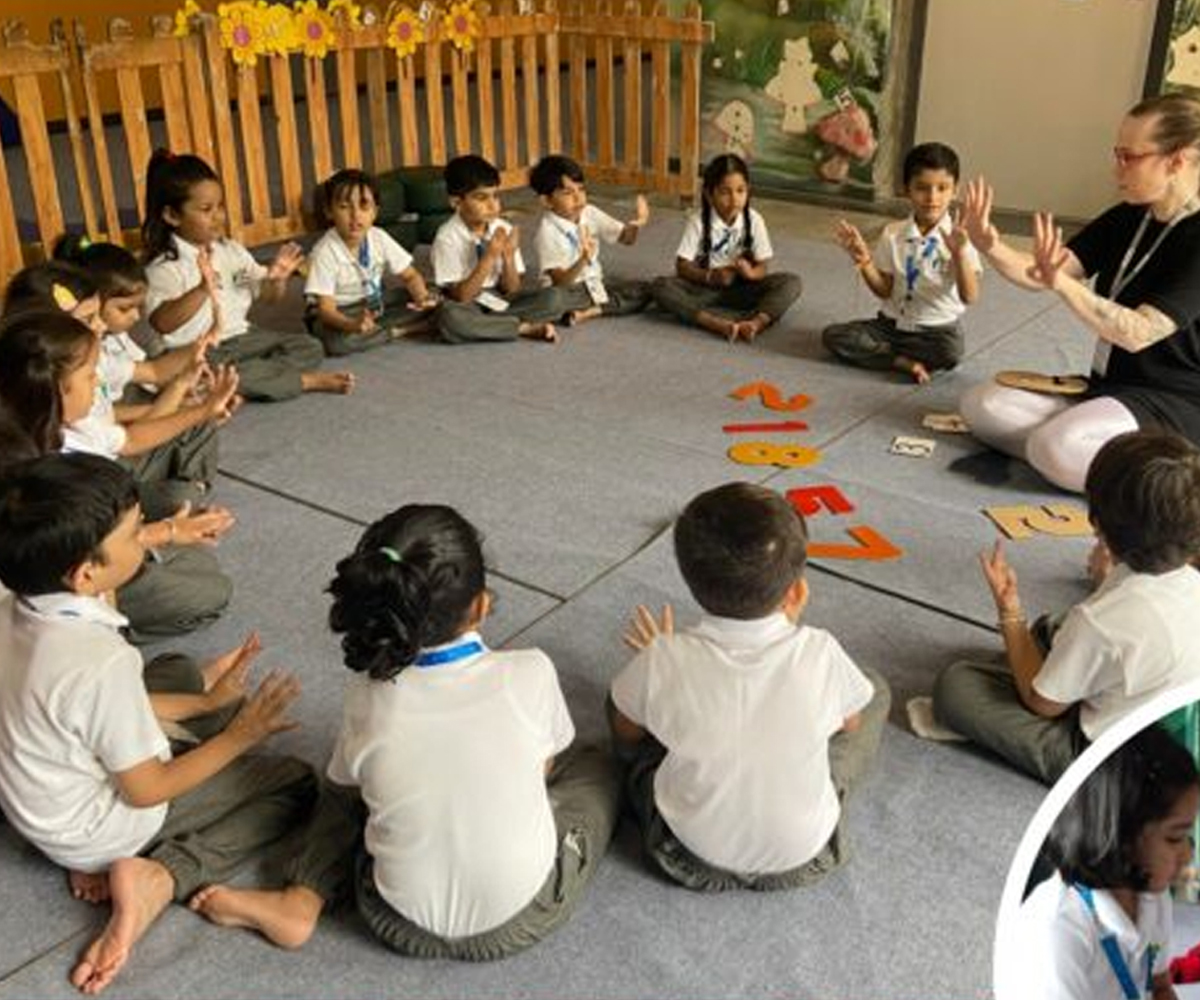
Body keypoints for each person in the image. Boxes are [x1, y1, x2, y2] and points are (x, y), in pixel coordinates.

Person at [189, 504, 620, 960]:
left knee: (342, 794)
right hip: (516, 920)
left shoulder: (367, 696)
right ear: (481, 604)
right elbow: (545, 767)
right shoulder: (530, 670)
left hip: (391, 917)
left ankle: (302, 897)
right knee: (594, 768)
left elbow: (349, 785)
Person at [0, 453, 315, 996]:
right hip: (102, 825)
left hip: (37, 800)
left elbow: (71, 711)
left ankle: (200, 709)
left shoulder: (12, 601)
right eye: (132, 535)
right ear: (85, 574)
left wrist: (202, 703)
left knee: (177, 676)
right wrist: (243, 735)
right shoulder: (99, 661)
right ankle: (158, 873)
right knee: (293, 782)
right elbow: (146, 790)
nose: (143, 539)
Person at [609, 482, 889, 890]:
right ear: (795, 591)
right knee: (871, 690)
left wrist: (660, 666)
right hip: (805, 857)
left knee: (621, 702)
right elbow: (850, 724)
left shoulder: (662, 658)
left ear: (691, 582)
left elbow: (626, 731)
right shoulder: (821, 651)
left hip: (687, 857)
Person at [960, 93, 1200, 493]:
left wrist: (1064, 284)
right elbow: (1042, 273)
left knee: (1059, 445)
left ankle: (1175, 474)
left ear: (1176, 160)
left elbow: (1137, 332)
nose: (1116, 168)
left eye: (1129, 157)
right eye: (1116, 154)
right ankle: (1093, 460)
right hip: (1107, 387)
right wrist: (990, 245)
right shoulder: (1131, 215)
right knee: (983, 406)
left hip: (1174, 402)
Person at [931, 429, 1200, 785]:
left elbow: (1040, 705)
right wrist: (1107, 580)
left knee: (956, 687)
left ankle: (1057, 677)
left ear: (1098, 525)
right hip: (1160, 712)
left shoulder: (1099, 622)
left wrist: (1009, 610)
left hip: (1110, 760)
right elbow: (1141, 617)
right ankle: (1060, 670)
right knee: (1060, 629)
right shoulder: (1188, 577)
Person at [0, 309, 234, 641]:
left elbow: (132, 440)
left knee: (194, 556)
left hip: (99, 544)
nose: (97, 382)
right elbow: (81, 563)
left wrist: (199, 407)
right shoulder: (38, 476)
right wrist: (167, 531)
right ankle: (116, 631)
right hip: (64, 585)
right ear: (53, 389)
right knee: (210, 591)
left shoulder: (69, 422)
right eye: (89, 375)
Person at [8, 254, 237, 522]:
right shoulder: (51, 424)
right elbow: (130, 443)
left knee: (196, 427)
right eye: (88, 318)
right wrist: (190, 402)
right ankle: (173, 501)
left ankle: (182, 494)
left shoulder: (77, 369)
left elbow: (150, 375)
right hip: (103, 489)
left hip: (112, 468)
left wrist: (197, 356)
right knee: (173, 501)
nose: (101, 325)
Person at [1000, 723, 1197, 1000]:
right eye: (1175, 839)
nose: (1189, 854)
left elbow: (1159, 987)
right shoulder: (1056, 931)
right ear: (1123, 838)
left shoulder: (1152, 891)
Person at [141, 149, 355, 399]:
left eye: (220, 206)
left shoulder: (229, 252)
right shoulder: (164, 267)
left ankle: (235, 380)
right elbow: (162, 322)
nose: (218, 217)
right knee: (207, 368)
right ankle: (300, 381)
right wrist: (201, 290)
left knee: (309, 347)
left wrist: (275, 280)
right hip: (197, 350)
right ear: (172, 215)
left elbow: (266, 295)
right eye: (206, 209)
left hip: (243, 338)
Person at [822, 141, 981, 383]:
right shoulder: (893, 233)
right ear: (906, 188)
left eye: (942, 188)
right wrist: (865, 263)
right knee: (835, 336)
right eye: (922, 188)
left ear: (955, 190)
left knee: (951, 353)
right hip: (890, 327)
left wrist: (959, 254)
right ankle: (901, 362)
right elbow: (884, 290)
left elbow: (969, 296)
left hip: (936, 332)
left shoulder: (959, 238)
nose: (932, 197)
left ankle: (886, 356)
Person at [652, 154, 802, 342]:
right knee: (661, 286)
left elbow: (763, 267)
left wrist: (750, 273)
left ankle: (755, 324)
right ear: (709, 194)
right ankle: (717, 324)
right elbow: (682, 266)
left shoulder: (754, 220)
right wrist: (710, 276)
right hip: (703, 288)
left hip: (742, 289)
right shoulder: (698, 221)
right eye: (725, 192)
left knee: (791, 282)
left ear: (749, 191)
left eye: (741, 191)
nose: (734, 199)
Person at [303, 168, 439, 356]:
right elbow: (326, 310)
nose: (355, 216)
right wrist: (352, 325)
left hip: (373, 302)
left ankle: (375, 329)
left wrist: (421, 297)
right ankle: (402, 331)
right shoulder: (324, 252)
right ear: (329, 211)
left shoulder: (379, 237)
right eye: (344, 207)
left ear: (375, 212)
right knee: (336, 344)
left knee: (436, 293)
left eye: (364, 207)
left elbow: (411, 276)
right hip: (338, 312)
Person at [431, 154, 564, 343]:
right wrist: (490, 256)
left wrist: (508, 257)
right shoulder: (447, 237)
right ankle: (521, 327)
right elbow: (461, 296)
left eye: (495, 196)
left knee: (554, 298)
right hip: (468, 304)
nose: (493, 205)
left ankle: (488, 326)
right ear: (456, 203)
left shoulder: (503, 228)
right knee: (450, 317)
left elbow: (511, 289)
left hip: (500, 300)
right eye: (481, 198)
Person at [529, 153, 651, 325]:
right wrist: (583, 259)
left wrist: (637, 223)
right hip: (568, 292)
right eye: (568, 193)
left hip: (594, 284)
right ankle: (593, 307)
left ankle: (588, 312)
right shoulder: (547, 232)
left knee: (648, 289)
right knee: (552, 300)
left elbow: (626, 239)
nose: (579, 198)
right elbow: (561, 282)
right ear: (546, 201)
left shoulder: (589, 212)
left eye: (581, 189)